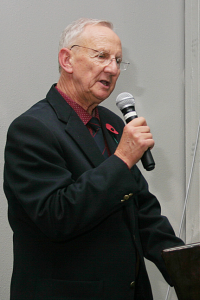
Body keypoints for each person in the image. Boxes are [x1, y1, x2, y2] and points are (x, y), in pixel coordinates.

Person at [4, 18, 184, 300]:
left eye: (118, 61)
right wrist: (122, 158)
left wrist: (188, 273)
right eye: (101, 56)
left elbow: (143, 213)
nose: (112, 69)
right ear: (67, 60)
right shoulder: (32, 129)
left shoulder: (111, 124)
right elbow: (57, 216)